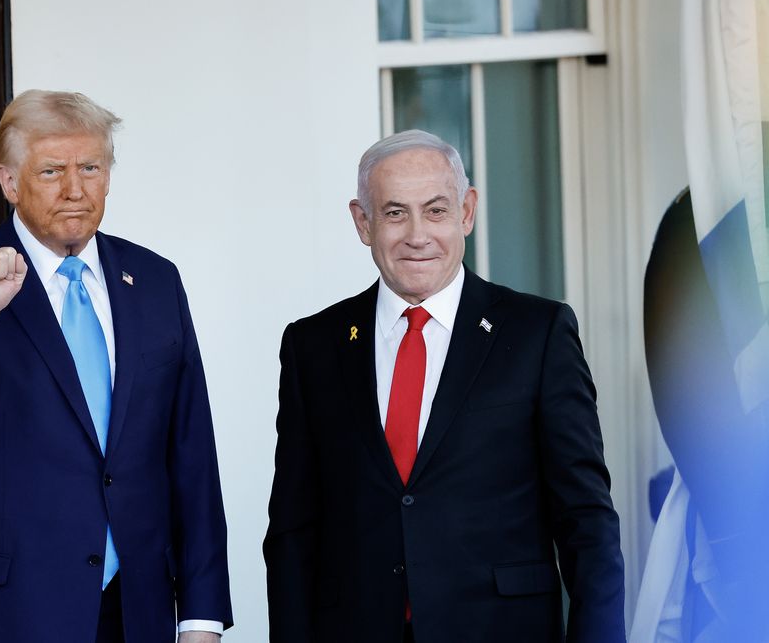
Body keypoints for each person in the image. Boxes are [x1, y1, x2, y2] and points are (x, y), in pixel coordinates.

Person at [0, 90, 233, 642]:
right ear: (9, 181)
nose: (74, 189)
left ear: (108, 176)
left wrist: (202, 615)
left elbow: (191, 453)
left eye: (90, 167)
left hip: (132, 610)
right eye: (50, 170)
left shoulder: (155, 281)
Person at [263, 129, 625, 642]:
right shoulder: (313, 345)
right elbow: (293, 531)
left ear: (467, 212)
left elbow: (585, 518)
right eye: (394, 213)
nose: (417, 235)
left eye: (435, 210)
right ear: (362, 223)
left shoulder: (537, 334)